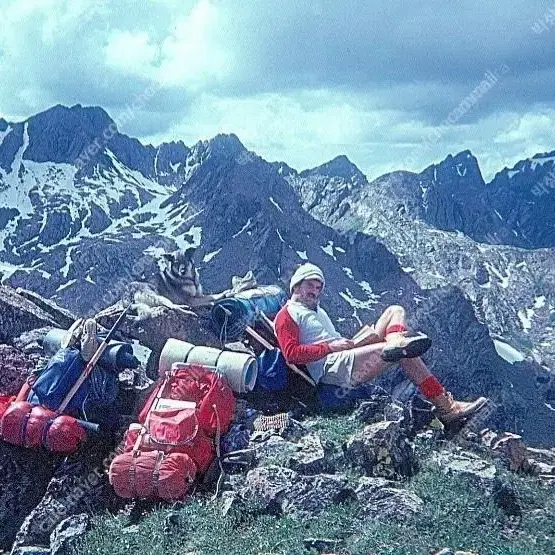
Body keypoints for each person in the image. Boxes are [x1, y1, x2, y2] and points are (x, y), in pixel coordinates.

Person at [274, 263, 487, 424]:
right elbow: (291, 354)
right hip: (331, 367)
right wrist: (330, 347)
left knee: (395, 310)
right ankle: (445, 407)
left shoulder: (315, 310)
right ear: (296, 286)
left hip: (345, 352)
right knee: (403, 353)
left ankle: (395, 341)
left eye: (319, 287)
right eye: (311, 285)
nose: (315, 291)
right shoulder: (288, 314)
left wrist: (348, 343)